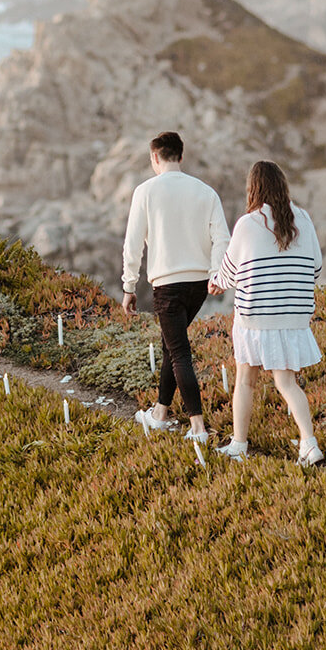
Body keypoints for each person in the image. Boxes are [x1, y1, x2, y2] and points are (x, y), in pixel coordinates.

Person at [210, 160, 325, 466]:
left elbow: (230, 272)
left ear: (254, 188)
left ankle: (238, 445)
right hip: (294, 317)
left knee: (246, 381)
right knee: (287, 383)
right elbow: (316, 267)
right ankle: (309, 445)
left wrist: (216, 284)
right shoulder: (303, 218)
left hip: (255, 318)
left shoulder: (248, 223)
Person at [120, 131, 231, 444]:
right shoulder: (205, 191)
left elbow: (132, 244)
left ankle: (198, 427)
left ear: (155, 157)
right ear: (181, 156)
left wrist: (129, 286)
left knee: (179, 351)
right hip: (198, 285)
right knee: (172, 345)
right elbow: (222, 238)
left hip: (167, 285)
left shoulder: (145, 191)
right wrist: (215, 274)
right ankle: (160, 412)